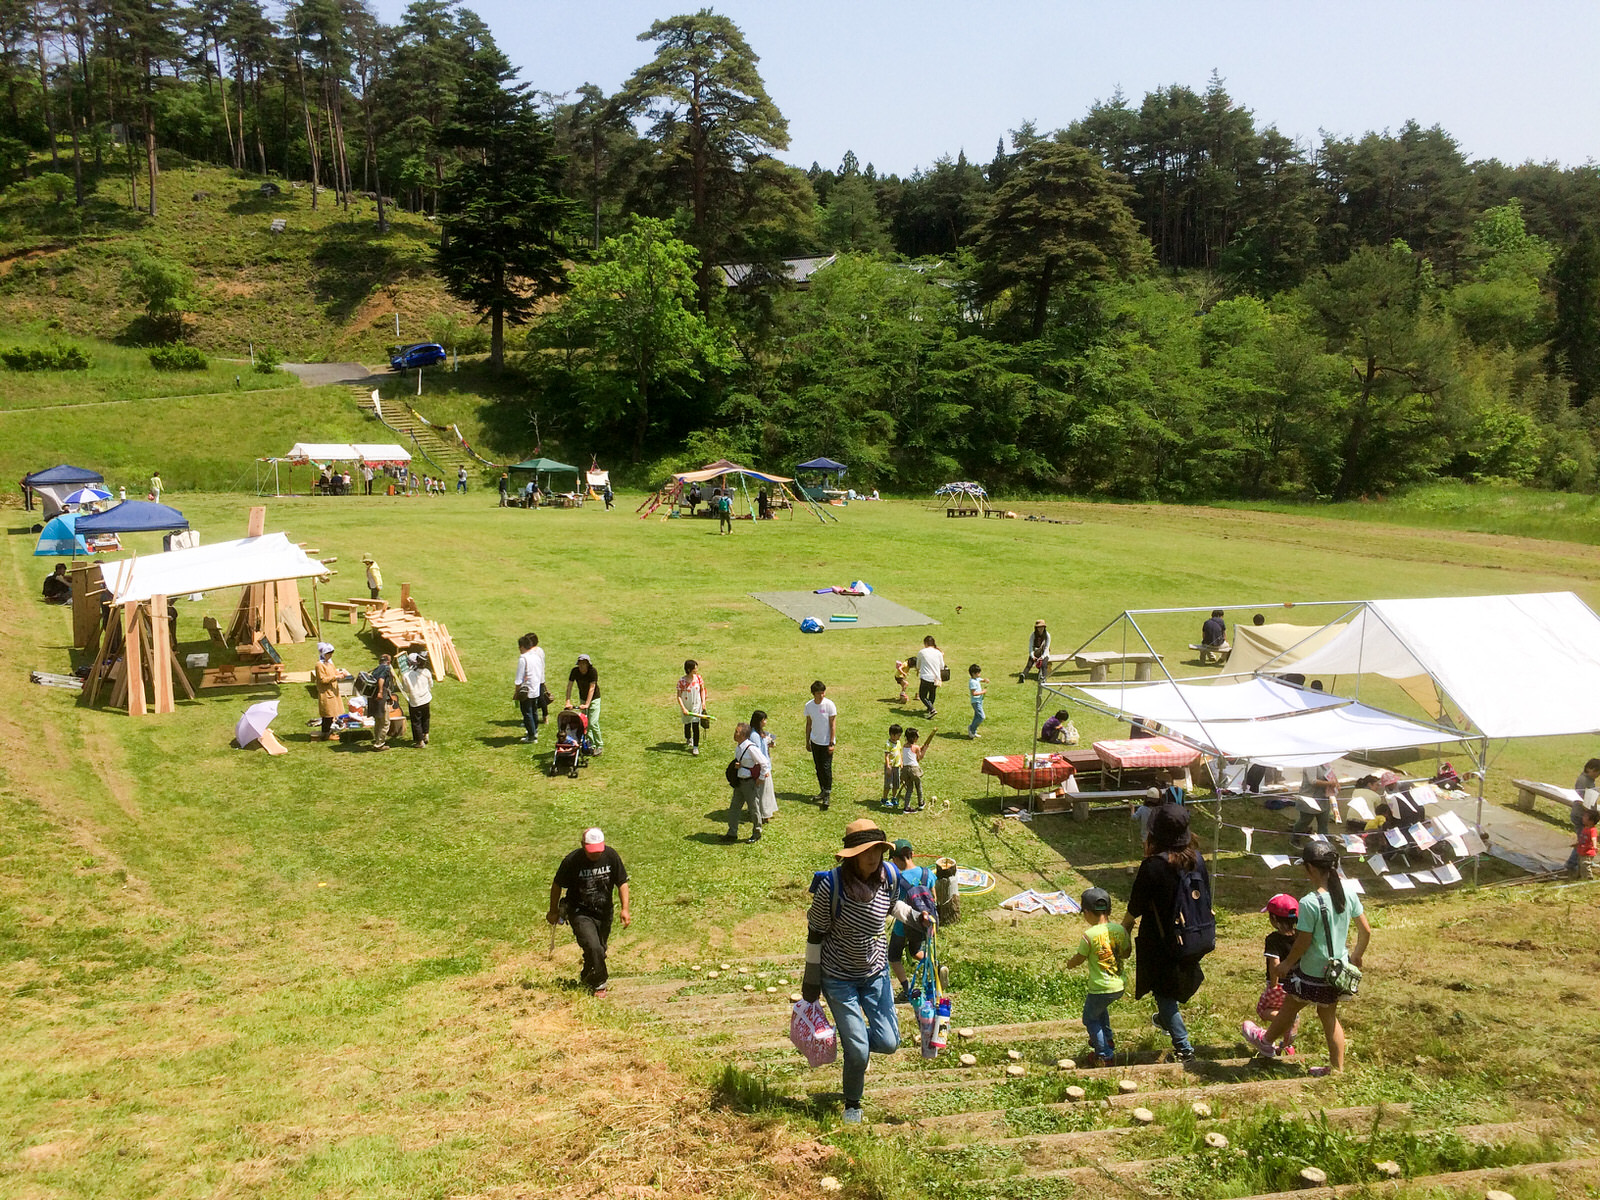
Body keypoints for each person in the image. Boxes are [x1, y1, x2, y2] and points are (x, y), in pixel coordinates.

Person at [802, 819, 932, 1124]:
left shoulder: (888, 875)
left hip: (875, 973)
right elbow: (815, 933)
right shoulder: (831, 887)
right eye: (866, 852)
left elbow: (893, 907)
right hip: (838, 978)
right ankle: (853, 1103)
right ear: (852, 855)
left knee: (889, 1043)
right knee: (859, 1051)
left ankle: (852, 1044)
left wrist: (916, 917)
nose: (873, 857)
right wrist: (811, 979)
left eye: (878, 850)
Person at [1245, 839, 1370, 1073]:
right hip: (1337, 971)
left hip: (1312, 971)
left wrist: (1286, 964)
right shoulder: (1348, 893)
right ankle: (1337, 1069)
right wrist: (1356, 956)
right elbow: (1366, 931)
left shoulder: (1310, 902)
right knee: (1328, 1016)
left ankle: (1266, 1042)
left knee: (1291, 1005)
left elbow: (1303, 942)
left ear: (1310, 868)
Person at [1122, 805, 1211, 1062]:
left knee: (1164, 992)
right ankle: (1164, 1018)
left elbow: (1135, 907)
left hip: (1160, 940)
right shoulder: (1198, 859)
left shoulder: (1153, 866)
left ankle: (1184, 1049)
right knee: (1174, 983)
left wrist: (1123, 931)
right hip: (1194, 932)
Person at [548, 827, 630, 997]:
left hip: (604, 911)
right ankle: (600, 983)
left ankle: (587, 975)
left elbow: (622, 882)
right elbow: (557, 885)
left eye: (598, 851)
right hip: (580, 911)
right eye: (591, 851)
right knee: (594, 947)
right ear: (582, 845)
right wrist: (553, 910)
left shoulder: (611, 856)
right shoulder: (572, 860)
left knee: (599, 949)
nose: (595, 855)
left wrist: (625, 909)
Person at [1065, 887, 1131, 1068]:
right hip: (1118, 985)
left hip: (1100, 987)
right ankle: (1107, 1039)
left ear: (1087, 912)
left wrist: (1069, 964)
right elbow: (1126, 953)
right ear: (1109, 910)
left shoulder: (1089, 935)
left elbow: (1080, 958)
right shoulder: (1119, 930)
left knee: (1090, 1019)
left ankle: (1104, 1054)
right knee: (1100, 1011)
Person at [1253, 894, 1302, 1058]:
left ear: (1273, 918)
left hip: (1279, 985)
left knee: (1264, 1010)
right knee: (1288, 1009)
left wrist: (1273, 985)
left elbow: (1274, 964)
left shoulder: (1273, 939)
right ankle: (1287, 1047)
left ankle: (1288, 1022)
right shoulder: (1300, 937)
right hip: (1297, 985)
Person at [886, 839, 933, 1001]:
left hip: (902, 926)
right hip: (923, 924)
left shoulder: (898, 879)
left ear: (896, 859)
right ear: (912, 854)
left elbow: (892, 903)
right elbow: (934, 899)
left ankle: (907, 990)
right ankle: (936, 966)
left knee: (894, 957)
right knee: (915, 951)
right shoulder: (928, 873)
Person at [725, 721, 767, 843]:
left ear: (743, 735)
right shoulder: (739, 747)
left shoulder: (751, 748)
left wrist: (761, 778)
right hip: (740, 783)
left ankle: (757, 832)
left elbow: (764, 763)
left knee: (754, 809)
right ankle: (732, 833)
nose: (734, 734)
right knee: (734, 808)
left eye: (736, 732)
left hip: (749, 783)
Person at [804, 680, 837, 811]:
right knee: (818, 767)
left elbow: (832, 724)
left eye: (823, 692)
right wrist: (807, 741)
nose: (822, 695)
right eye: (819, 693)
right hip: (815, 741)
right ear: (813, 694)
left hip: (826, 742)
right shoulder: (809, 706)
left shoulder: (829, 705)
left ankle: (827, 793)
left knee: (826, 767)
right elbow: (808, 723)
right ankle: (822, 790)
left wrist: (831, 742)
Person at [1293, 763, 1340, 845]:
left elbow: (1331, 775)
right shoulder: (1311, 764)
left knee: (1323, 823)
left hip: (1323, 798)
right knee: (1304, 821)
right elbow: (1312, 781)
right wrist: (1329, 784)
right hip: (1310, 799)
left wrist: (1336, 783)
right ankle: (1295, 839)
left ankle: (1323, 843)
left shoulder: (1325, 764)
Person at [566, 654, 602, 754]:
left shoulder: (592, 672)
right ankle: (590, 744)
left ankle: (599, 745)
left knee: (593, 723)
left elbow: (592, 688)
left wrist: (587, 704)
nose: (581, 667)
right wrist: (567, 701)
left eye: (584, 664)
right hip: (583, 698)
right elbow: (569, 686)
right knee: (584, 723)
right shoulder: (575, 671)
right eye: (580, 664)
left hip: (594, 699)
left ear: (588, 665)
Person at [312, 643, 348, 740]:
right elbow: (322, 679)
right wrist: (336, 677)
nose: (331, 655)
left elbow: (333, 672)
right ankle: (326, 734)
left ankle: (328, 732)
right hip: (326, 692)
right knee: (327, 714)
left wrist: (341, 673)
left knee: (332, 714)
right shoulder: (319, 665)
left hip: (333, 691)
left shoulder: (330, 663)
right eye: (329, 653)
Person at [514, 634, 546, 743]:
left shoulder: (523, 658)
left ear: (522, 646)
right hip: (535, 688)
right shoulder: (536, 656)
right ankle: (534, 730)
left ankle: (532, 736)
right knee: (534, 711)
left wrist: (516, 691)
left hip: (526, 690)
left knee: (527, 712)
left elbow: (519, 677)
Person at [399, 650, 434, 747]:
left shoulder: (406, 676)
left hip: (415, 701)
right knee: (426, 717)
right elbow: (431, 684)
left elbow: (405, 689)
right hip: (426, 699)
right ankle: (425, 734)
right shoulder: (426, 672)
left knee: (416, 721)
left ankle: (420, 742)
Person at [369, 653, 399, 751]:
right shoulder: (386, 668)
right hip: (380, 699)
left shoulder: (376, 669)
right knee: (385, 722)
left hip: (373, 699)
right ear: (389, 662)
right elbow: (381, 679)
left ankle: (377, 740)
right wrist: (381, 692)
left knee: (378, 721)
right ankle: (379, 744)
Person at [677, 659, 707, 756]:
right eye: (694, 668)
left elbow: (702, 690)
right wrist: (683, 708)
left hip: (696, 705)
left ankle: (695, 747)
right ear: (689, 669)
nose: (696, 670)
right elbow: (678, 696)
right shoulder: (682, 681)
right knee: (687, 724)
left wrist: (703, 702)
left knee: (695, 725)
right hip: (687, 705)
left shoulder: (698, 678)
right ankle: (688, 738)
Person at [753, 710, 779, 822]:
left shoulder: (760, 732)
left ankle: (767, 811)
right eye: (764, 720)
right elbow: (757, 752)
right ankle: (763, 814)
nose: (765, 722)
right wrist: (763, 769)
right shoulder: (754, 735)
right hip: (761, 767)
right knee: (762, 792)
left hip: (766, 765)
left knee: (767, 790)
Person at [896, 727, 929, 812]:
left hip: (905, 770)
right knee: (918, 786)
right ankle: (921, 803)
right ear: (914, 738)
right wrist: (924, 749)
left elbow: (912, 754)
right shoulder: (916, 747)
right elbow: (920, 757)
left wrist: (920, 748)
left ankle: (906, 807)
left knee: (909, 788)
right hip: (913, 769)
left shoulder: (904, 746)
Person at [915, 635, 945, 718]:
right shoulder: (938, 653)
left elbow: (918, 665)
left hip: (926, 676)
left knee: (922, 696)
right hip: (936, 677)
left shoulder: (922, 652)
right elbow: (942, 666)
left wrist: (918, 669)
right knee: (932, 693)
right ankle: (929, 709)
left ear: (925, 643)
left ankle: (932, 709)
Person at [1571, 759, 1600, 843]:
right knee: (1583, 841)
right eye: (1597, 772)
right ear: (1591, 769)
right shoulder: (1583, 780)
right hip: (1582, 815)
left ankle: (1579, 855)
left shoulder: (1589, 780)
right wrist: (1590, 813)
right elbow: (1581, 799)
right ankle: (1576, 856)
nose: (1597, 775)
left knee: (1584, 840)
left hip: (1587, 815)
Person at [1567, 806, 1598, 879]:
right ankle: (1579, 876)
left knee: (1585, 865)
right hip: (1582, 851)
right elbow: (1582, 838)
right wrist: (1577, 844)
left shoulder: (1592, 830)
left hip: (1588, 852)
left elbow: (1594, 838)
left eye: (1585, 817)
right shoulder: (1585, 828)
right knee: (1580, 864)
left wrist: (1594, 846)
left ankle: (1588, 878)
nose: (1582, 818)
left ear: (1591, 821)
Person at [881, 724, 904, 804]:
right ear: (892, 735)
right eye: (898, 735)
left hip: (896, 766)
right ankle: (884, 798)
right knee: (888, 784)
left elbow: (899, 753)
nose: (899, 737)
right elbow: (887, 756)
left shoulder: (898, 742)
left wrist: (901, 762)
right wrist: (888, 766)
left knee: (896, 783)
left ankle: (894, 797)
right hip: (890, 767)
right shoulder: (888, 744)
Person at [967, 664, 987, 738]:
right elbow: (974, 693)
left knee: (977, 716)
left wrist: (985, 680)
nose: (979, 674)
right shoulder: (972, 682)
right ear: (973, 674)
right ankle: (971, 728)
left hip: (979, 701)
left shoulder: (976, 679)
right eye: (978, 673)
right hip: (975, 702)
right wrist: (983, 692)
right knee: (981, 717)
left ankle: (973, 731)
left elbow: (981, 679)